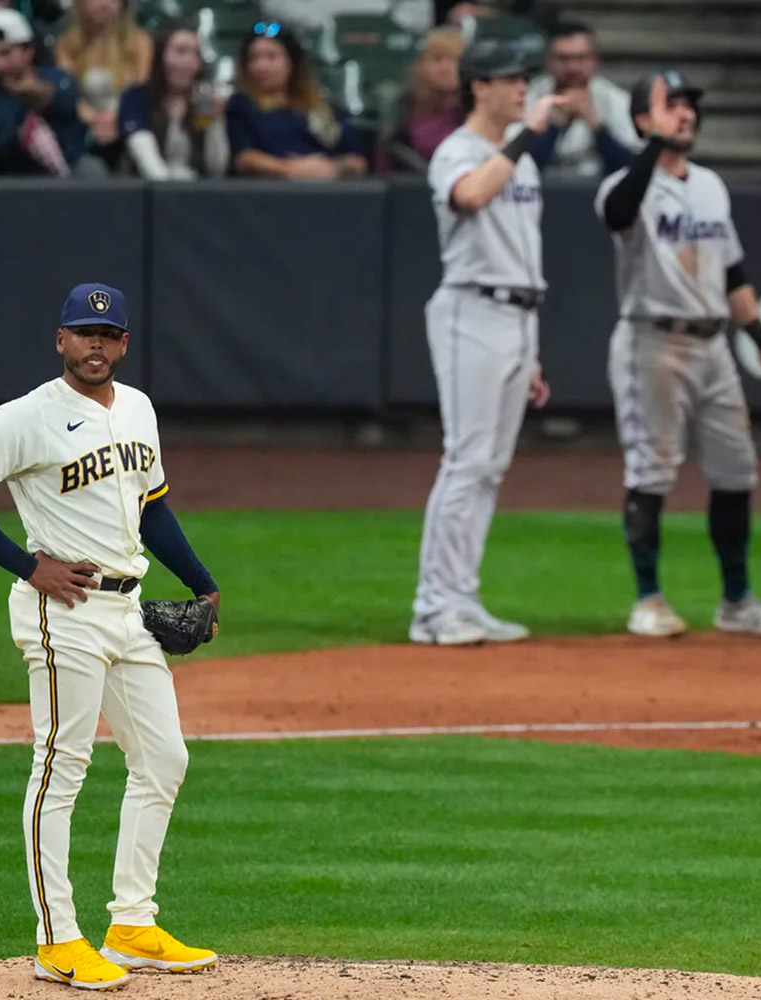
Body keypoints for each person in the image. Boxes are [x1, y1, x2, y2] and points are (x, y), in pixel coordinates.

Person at [0, 282, 219, 991]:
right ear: (60, 340)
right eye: (82, 333)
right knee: (61, 769)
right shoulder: (25, 417)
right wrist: (31, 567)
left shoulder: (140, 409)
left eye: (108, 334)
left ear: (123, 343)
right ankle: (57, 939)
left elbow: (153, 510)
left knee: (164, 760)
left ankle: (131, 923)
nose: (96, 345)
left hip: (128, 611)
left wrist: (202, 581)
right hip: (65, 617)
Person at [595, 71, 761, 640]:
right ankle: (648, 599)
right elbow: (616, 214)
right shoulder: (625, 183)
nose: (685, 113)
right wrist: (653, 148)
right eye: (670, 105)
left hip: (714, 344)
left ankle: (736, 601)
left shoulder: (711, 185)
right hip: (652, 341)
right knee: (652, 469)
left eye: (689, 105)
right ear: (642, 120)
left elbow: (732, 270)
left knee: (737, 471)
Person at [409, 38, 560, 645]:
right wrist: (528, 139)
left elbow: (521, 249)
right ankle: (433, 608)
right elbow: (470, 196)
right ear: (480, 87)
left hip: (516, 315)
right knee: (467, 459)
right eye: (510, 78)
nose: (523, 87)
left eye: (525, 77)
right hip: (471, 308)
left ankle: (462, 598)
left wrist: (532, 349)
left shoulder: (510, 154)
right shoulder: (460, 151)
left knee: (490, 468)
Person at [226, 21, 368, 179]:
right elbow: (245, 157)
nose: (261, 66)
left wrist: (332, 167)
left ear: (292, 62)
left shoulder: (322, 107)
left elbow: (357, 160)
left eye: (271, 57)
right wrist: (291, 169)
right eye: (253, 58)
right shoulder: (241, 105)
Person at [0, 8, 91, 176]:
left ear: (28, 51)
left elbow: (72, 111)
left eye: (6, 53)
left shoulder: (57, 78)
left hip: (66, 175)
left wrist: (39, 91)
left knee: (91, 170)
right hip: (9, 181)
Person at [523, 22, 640, 177]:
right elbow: (515, 166)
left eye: (581, 58)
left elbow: (633, 172)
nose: (573, 68)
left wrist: (598, 129)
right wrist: (554, 127)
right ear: (548, 61)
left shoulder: (617, 101)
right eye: (563, 59)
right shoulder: (527, 98)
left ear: (595, 61)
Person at [118, 21, 228, 180]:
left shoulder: (202, 102)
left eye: (196, 54)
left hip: (196, 191)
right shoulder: (137, 97)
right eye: (181, 51)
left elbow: (216, 168)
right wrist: (171, 193)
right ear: (161, 55)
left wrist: (216, 122)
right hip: (147, 192)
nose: (189, 62)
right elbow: (143, 151)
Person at [55, 0, 152, 171]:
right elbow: (69, 95)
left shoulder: (141, 42)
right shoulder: (66, 45)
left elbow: (139, 91)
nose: (104, 4)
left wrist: (116, 118)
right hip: (86, 127)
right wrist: (94, 119)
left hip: (128, 122)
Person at [380, 25, 464, 172]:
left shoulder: (476, 107)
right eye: (437, 60)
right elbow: (389, 152)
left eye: (454, 60)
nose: (445, 68)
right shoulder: (403, 105)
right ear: (421, 65)